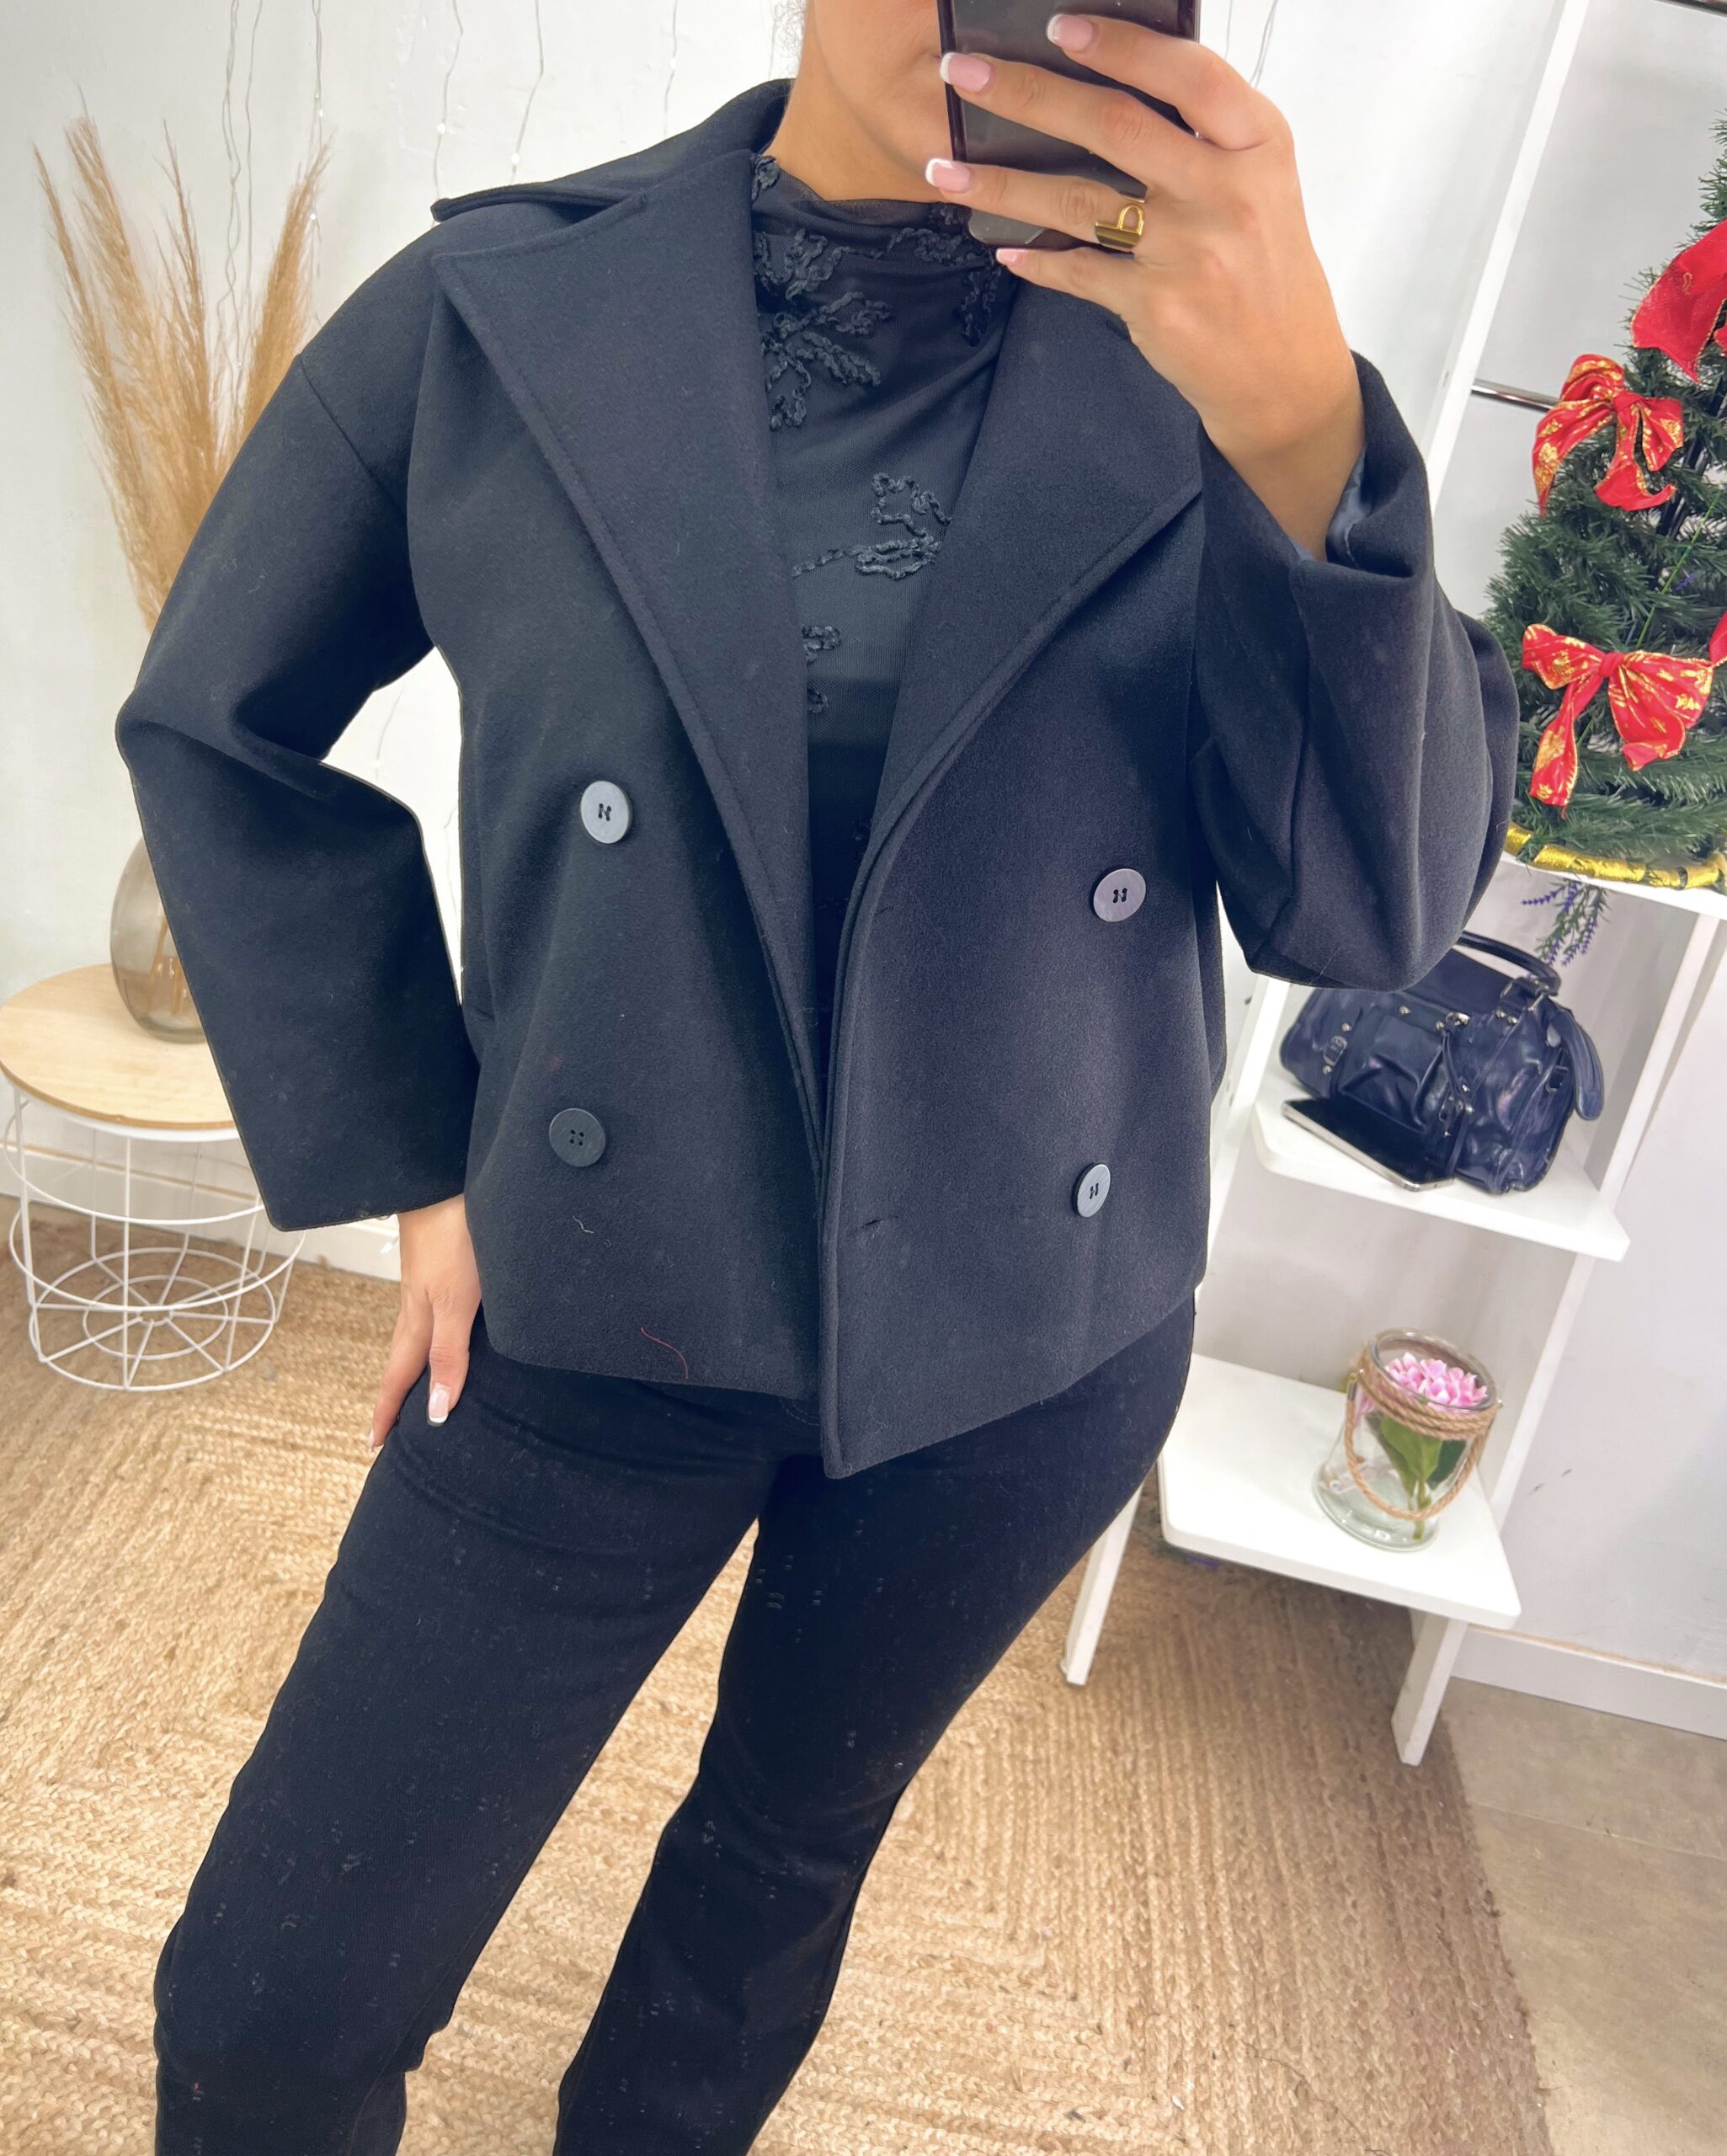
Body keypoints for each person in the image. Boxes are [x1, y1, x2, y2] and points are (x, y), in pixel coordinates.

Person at [115, 6, 1518, 2149]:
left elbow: (1368, 912)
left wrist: (1304, 421)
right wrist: (418, 1147)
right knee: (269, 1994)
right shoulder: (500, 307)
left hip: (1022, 1342)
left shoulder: (1234, 368)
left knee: (768, 1878)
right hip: (592, 1306)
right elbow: (219, 720)